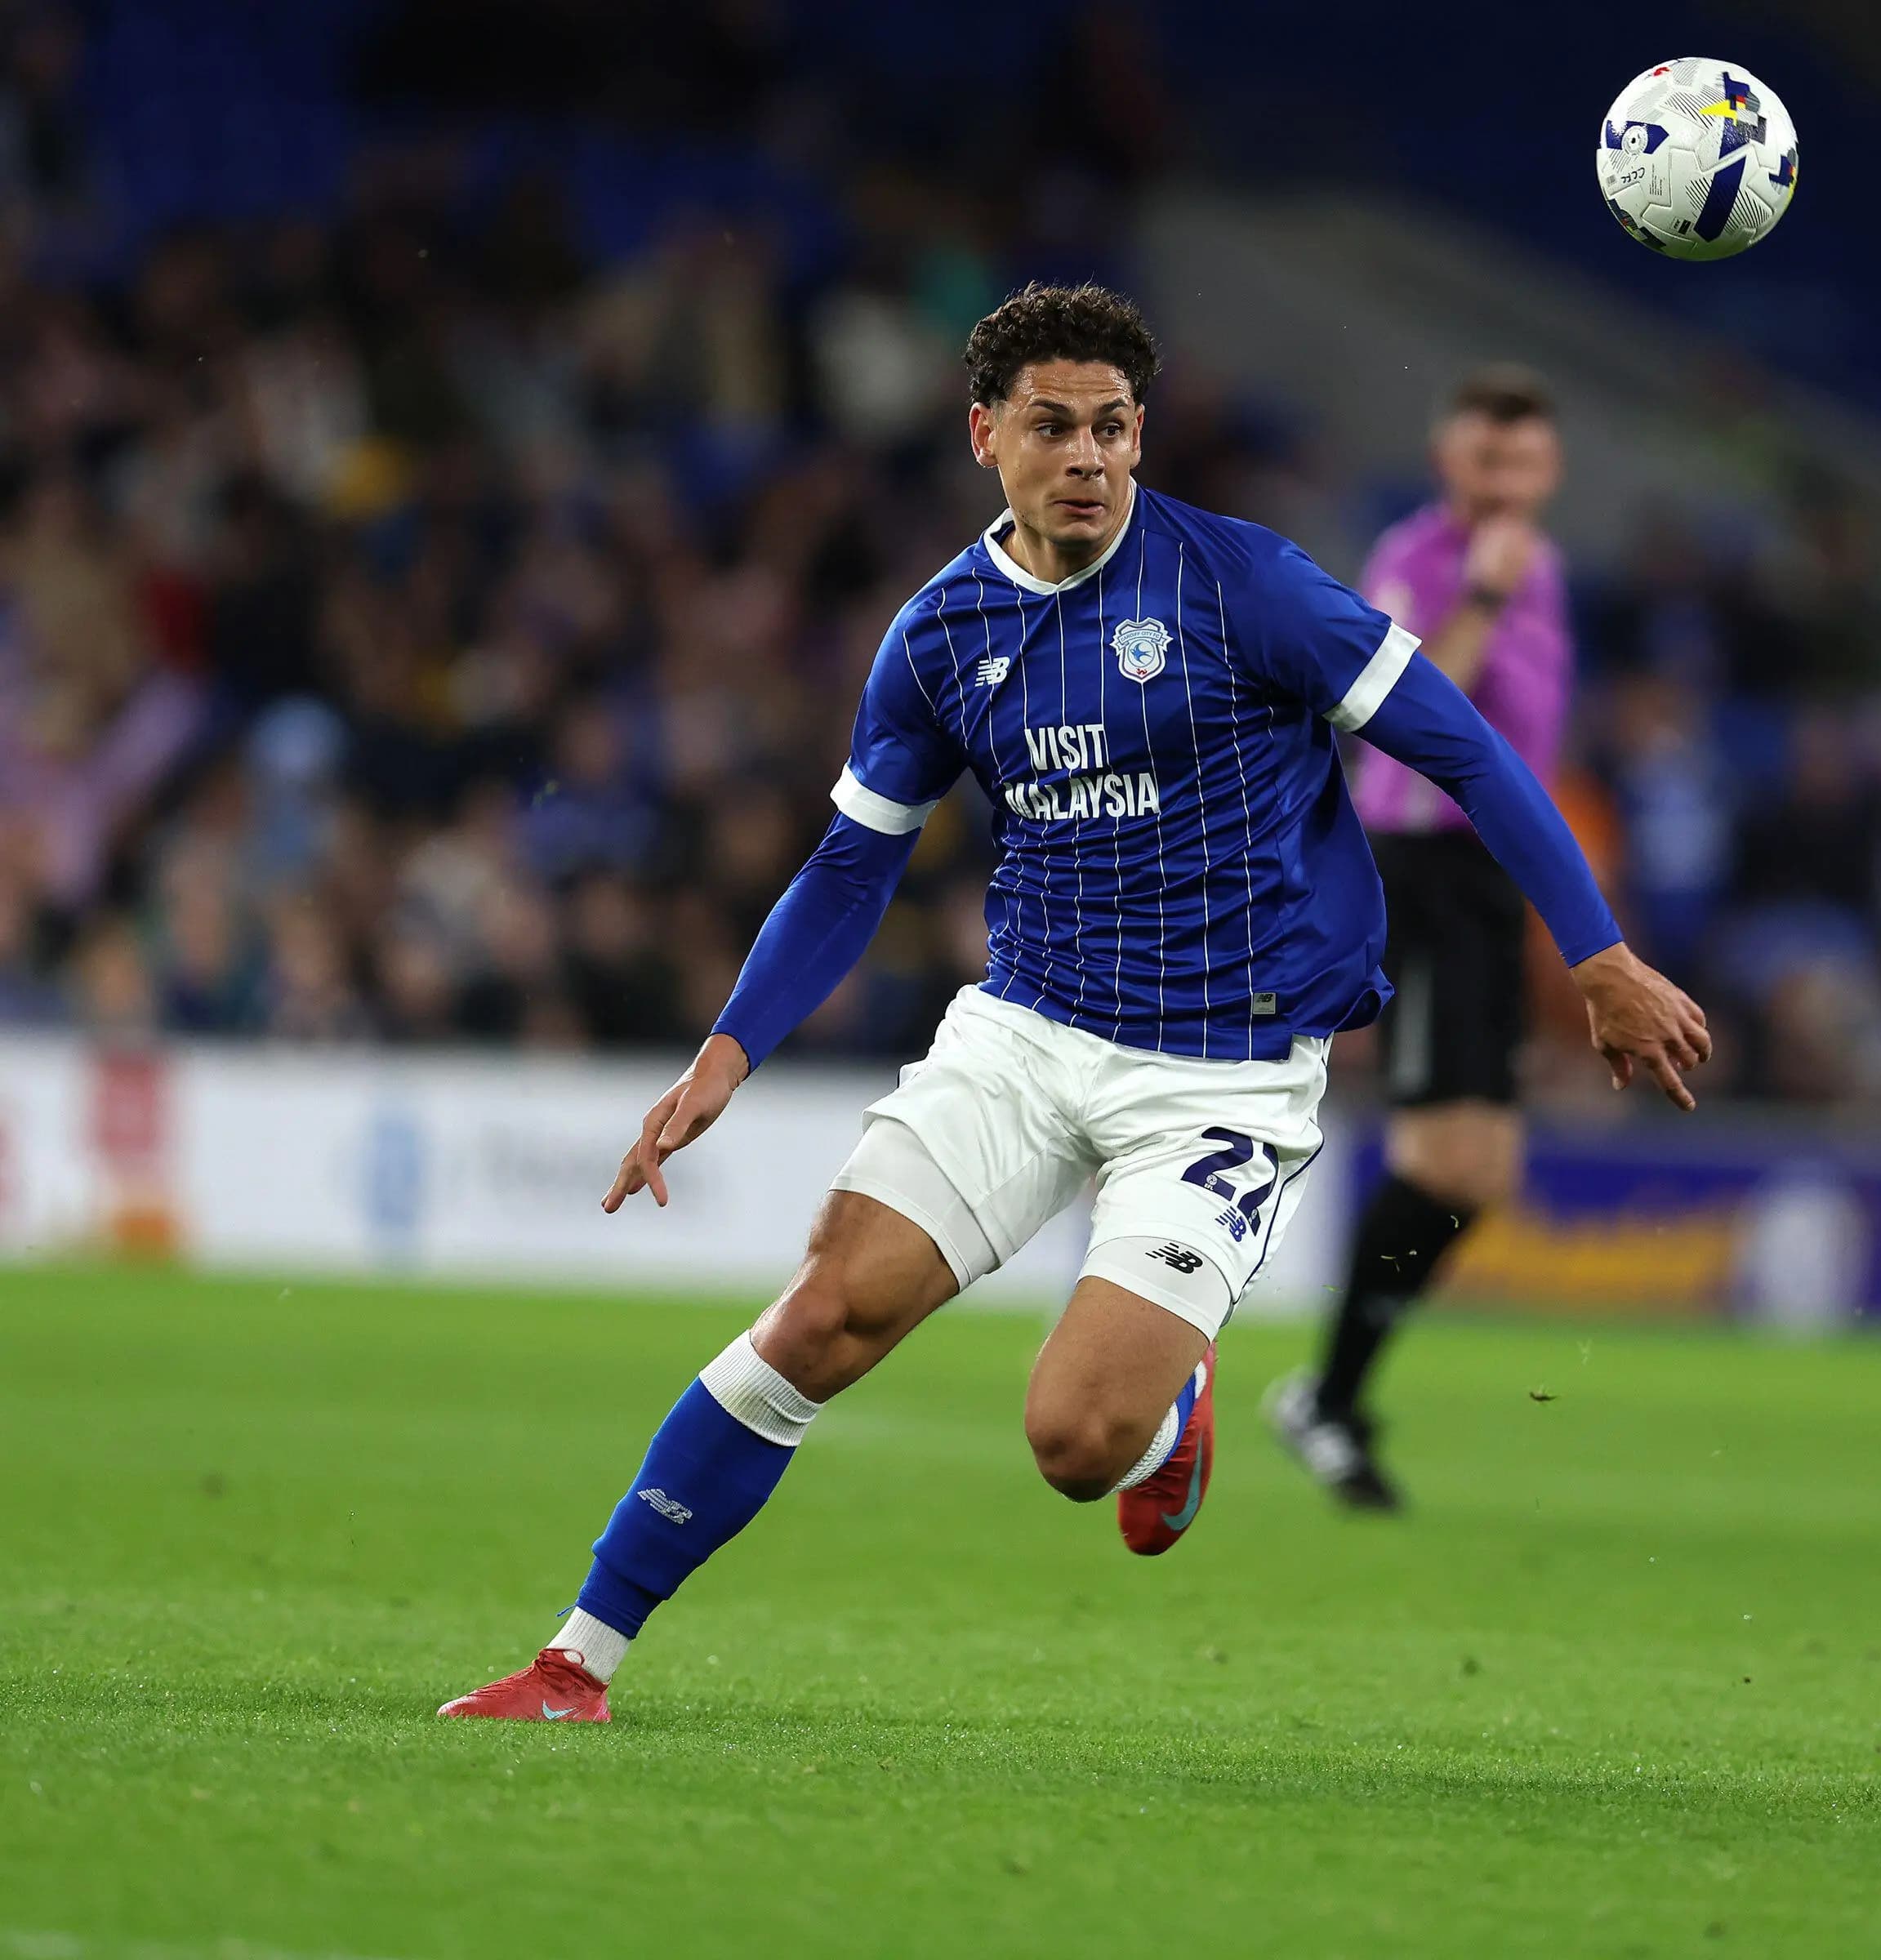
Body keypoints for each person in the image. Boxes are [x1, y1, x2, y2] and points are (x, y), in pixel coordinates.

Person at [439, 285, 1708, 1722]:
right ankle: (574, 1664)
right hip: (1030, 1030)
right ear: (986, 436)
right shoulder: (939, 636)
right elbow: (855, 864)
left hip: (1225, 1072)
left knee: (1073, 1441)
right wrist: (730, 1047)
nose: (1090, 457)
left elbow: (1470, 754)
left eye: (1113, 427)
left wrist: (1597, 956)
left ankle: (1166, 1398)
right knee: (824, 1316)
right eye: (1054, 428)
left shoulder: (1247, 586)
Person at [1264, 365, 1571, 1511]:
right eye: (1485, 460)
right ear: (1450, 460)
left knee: (1481, 1171)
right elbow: (1398, 712)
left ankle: (1330, 1395)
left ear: (1550, 471)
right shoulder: (1420, 562)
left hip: (1492, 876)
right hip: (1422, 867)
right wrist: (1480, 602)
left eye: (1524, 463)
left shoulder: (1546, 568)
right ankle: (1327, 1398)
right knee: (1440, 1158)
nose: (1503, 483)